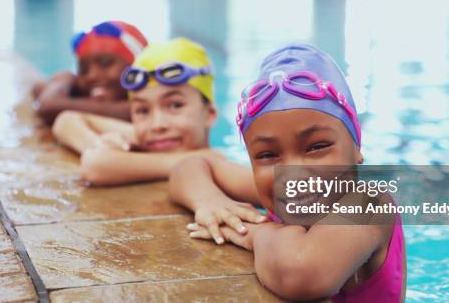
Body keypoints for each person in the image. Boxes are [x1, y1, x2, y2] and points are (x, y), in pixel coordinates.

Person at [169, 44, 405, 302]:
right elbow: (190, 167)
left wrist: (254, 234)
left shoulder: (370, 205)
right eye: (268, 155)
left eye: (317, 147)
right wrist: (211, 202)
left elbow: (303, 275)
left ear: (357, 147)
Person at [54, 38, 222, 186]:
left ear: (210, 114)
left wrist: (114, 157)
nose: (157, 125)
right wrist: (101, 143)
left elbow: (94, 165)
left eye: (175, 106)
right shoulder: (153, 140)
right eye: (143, 110)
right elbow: (66, 120)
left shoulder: (222, 167)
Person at [33, 20, 147, 123]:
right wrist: (68, 80)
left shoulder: (150, 103)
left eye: (105, 63)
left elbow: (49, 105)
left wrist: (65, 79)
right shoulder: (86, 91)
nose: (91, 75)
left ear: (136, 65)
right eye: (83, 70)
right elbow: (38, 88)